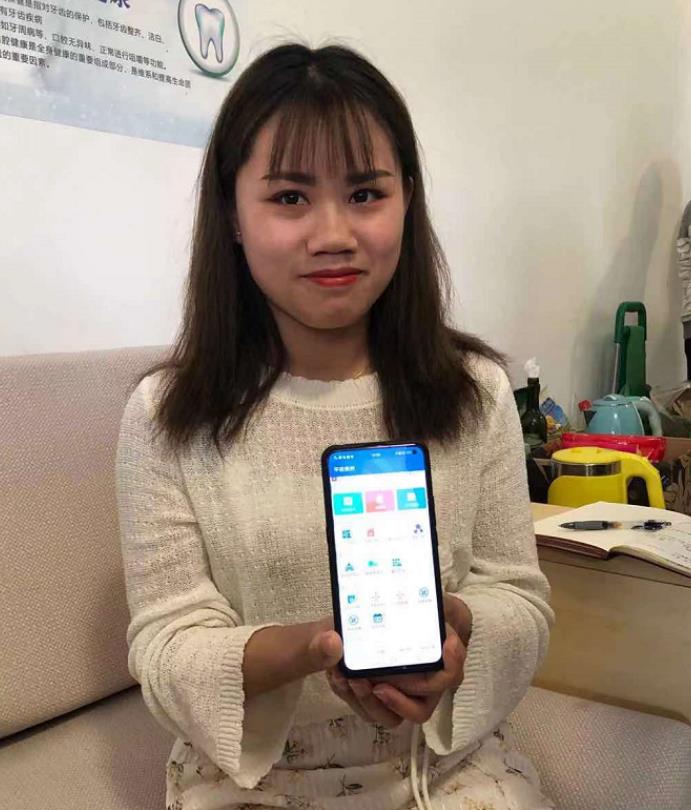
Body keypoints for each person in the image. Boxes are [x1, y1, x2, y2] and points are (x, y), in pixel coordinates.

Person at [116, 42, 555, 810]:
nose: (333, 234)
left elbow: (518, 596)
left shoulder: (474, 391)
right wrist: (312, 649)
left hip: (444, 769)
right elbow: (166, 642)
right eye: (289, 197)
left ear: (406, 200)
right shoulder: (166, 415)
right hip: (255, 781)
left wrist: (455, 627)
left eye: (363, 194)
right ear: (232, 215)